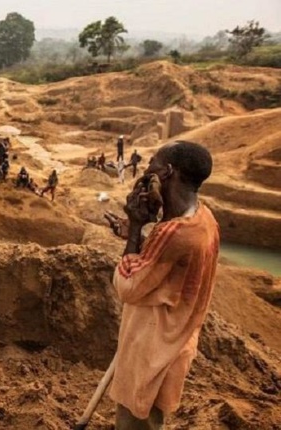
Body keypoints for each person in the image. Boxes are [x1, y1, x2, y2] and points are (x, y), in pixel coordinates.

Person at [106, 141, 219, 429]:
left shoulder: (175, 232)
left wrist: (134, 227)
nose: (146, 169)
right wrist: (144, 237)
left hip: (152, 346)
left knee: (135, 422)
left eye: (152, 163)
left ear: (167, 172)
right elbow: (171, 265)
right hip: (173, 339)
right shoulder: (204, 218)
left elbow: (128, 286)